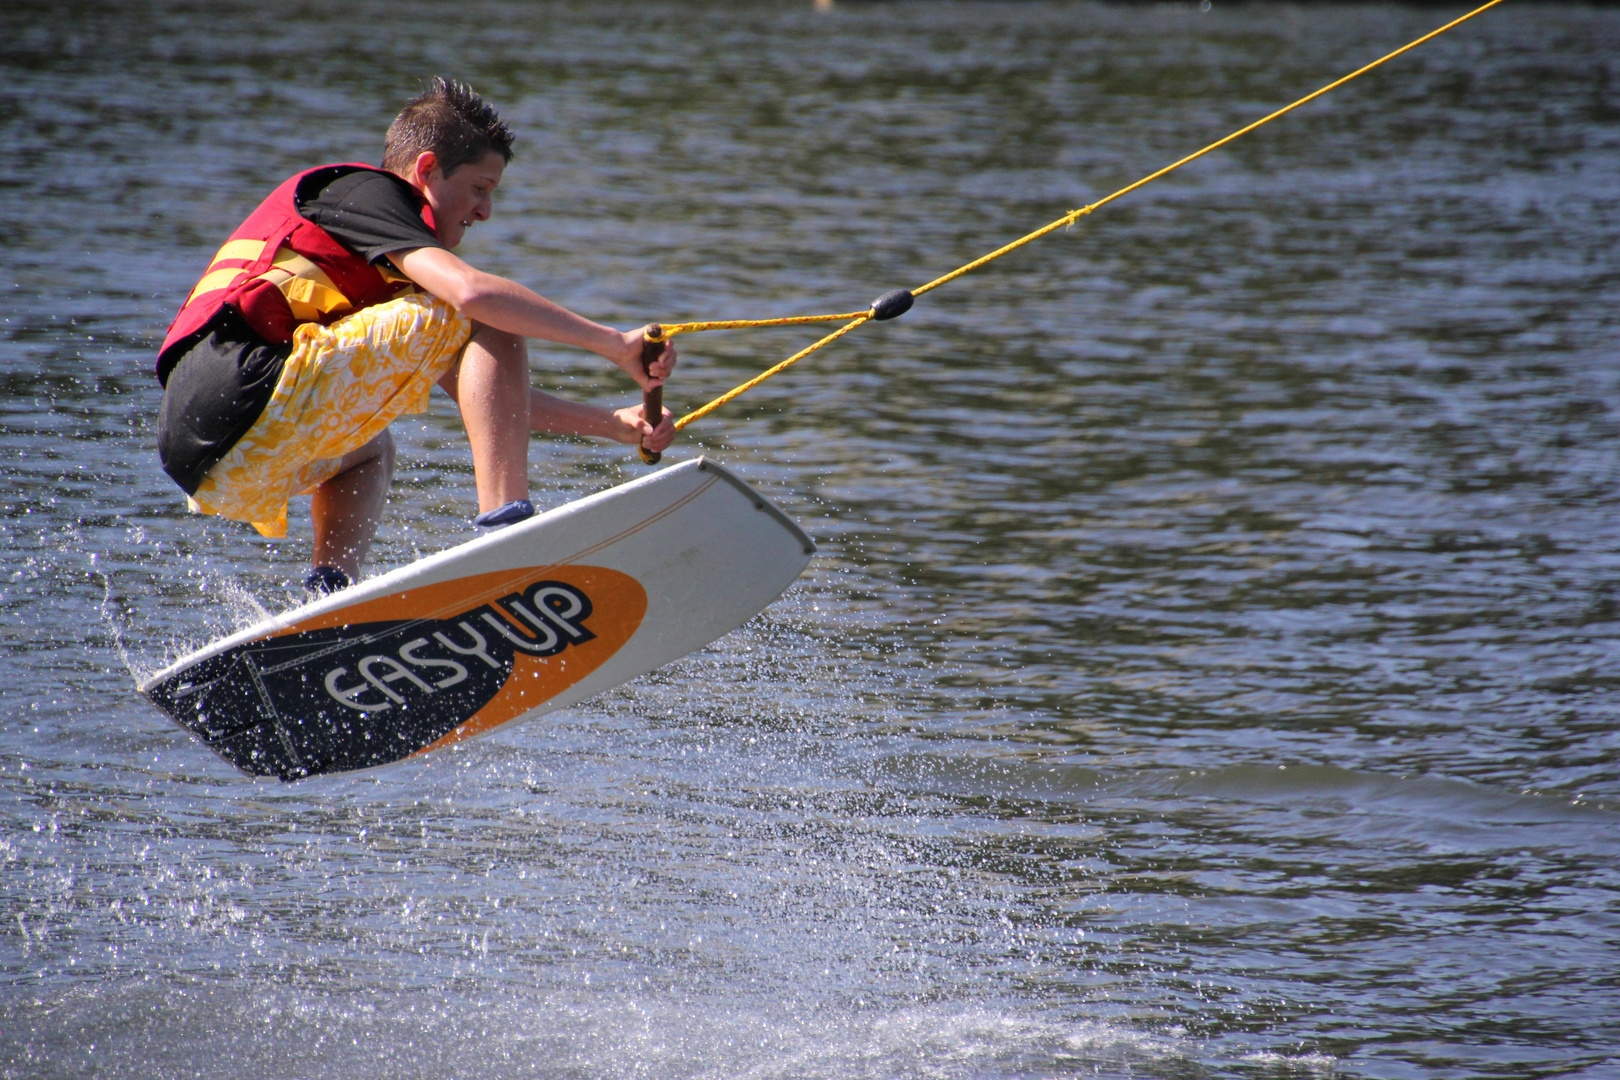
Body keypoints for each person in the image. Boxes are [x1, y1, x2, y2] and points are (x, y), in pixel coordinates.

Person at [154, 77, 676, 595]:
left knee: (370, 450)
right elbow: (473, 296)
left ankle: (328, 594)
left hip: (209, 456)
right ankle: (507, 531)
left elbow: (491, 399)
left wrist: (613, 425)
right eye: (479, 189)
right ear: (426, 169)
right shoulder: (368, 193)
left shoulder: (390, 275)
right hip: (244, 395)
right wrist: (615, 345)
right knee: (488, 311)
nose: (485, 212)